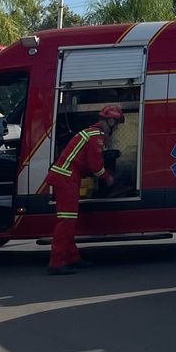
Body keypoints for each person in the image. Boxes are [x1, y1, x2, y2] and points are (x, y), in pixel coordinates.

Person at [44, 105, 123, 275]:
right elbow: (95, 165)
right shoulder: (97, 136)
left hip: (65, 177)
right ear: (110, 121)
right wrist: (107, 177)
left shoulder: (90, 133)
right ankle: (56, 263)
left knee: (69, 220)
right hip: (67, 179)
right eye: (116, 123)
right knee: (66, 222)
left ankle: (72, 258)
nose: (116, 127)